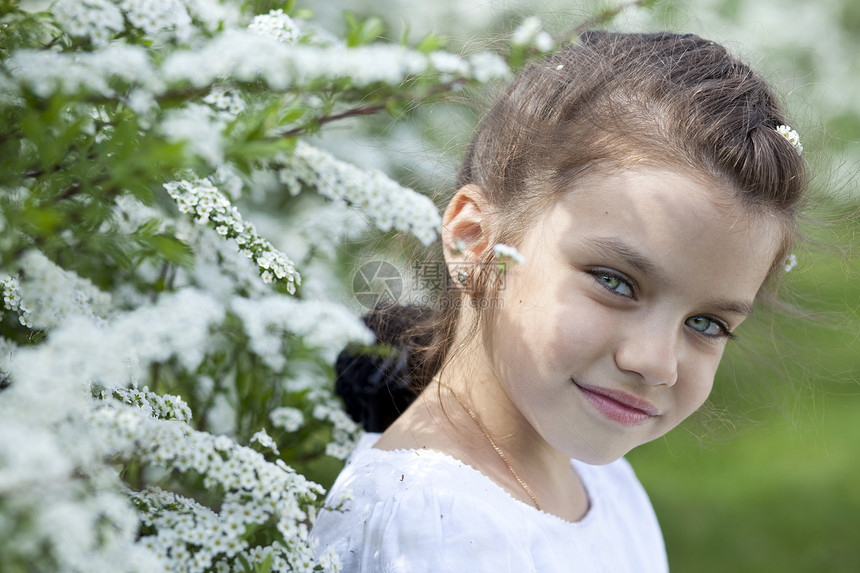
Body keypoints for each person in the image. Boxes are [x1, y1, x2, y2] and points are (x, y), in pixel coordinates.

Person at [310, 30, 807, 572]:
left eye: (708, 323)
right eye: (615, 282)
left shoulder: (594, 472)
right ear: (475, 241)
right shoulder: (433, 526)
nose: (655, 363)